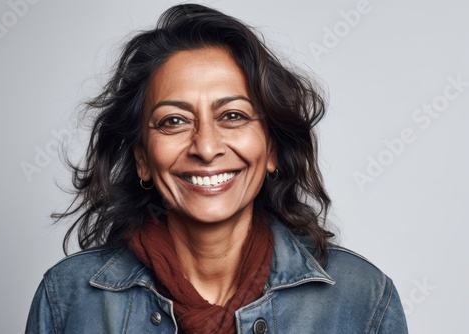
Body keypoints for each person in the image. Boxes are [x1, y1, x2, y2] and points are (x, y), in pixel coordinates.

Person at [25, 4, 408, 333]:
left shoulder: (362, 299)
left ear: (271, 148)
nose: (206, 148)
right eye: (174, 121)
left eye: (233, 115)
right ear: (142, 157)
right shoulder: (68, 299)